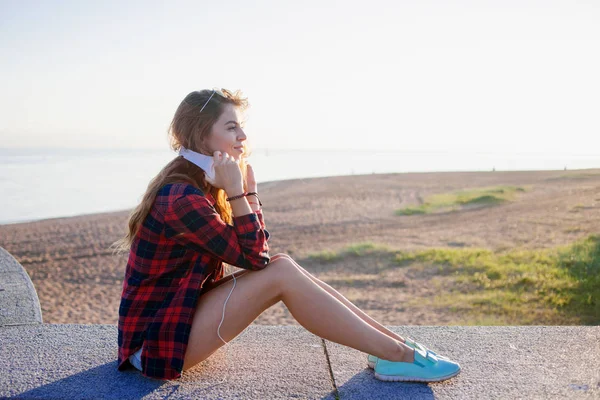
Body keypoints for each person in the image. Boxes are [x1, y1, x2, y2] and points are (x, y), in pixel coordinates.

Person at [114, 88, 461, 382]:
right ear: (203, 135)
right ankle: (398, 355)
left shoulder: (198, 182)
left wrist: (242, 192)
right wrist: (241, 193)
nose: (243, 137)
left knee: (283, 265)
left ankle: (394, 348)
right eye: (232, 127)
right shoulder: (182, 197)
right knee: (279, 271)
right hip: (154, 347)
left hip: (178, 319)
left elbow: (258, 254)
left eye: (241, 127)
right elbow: (254, 258)